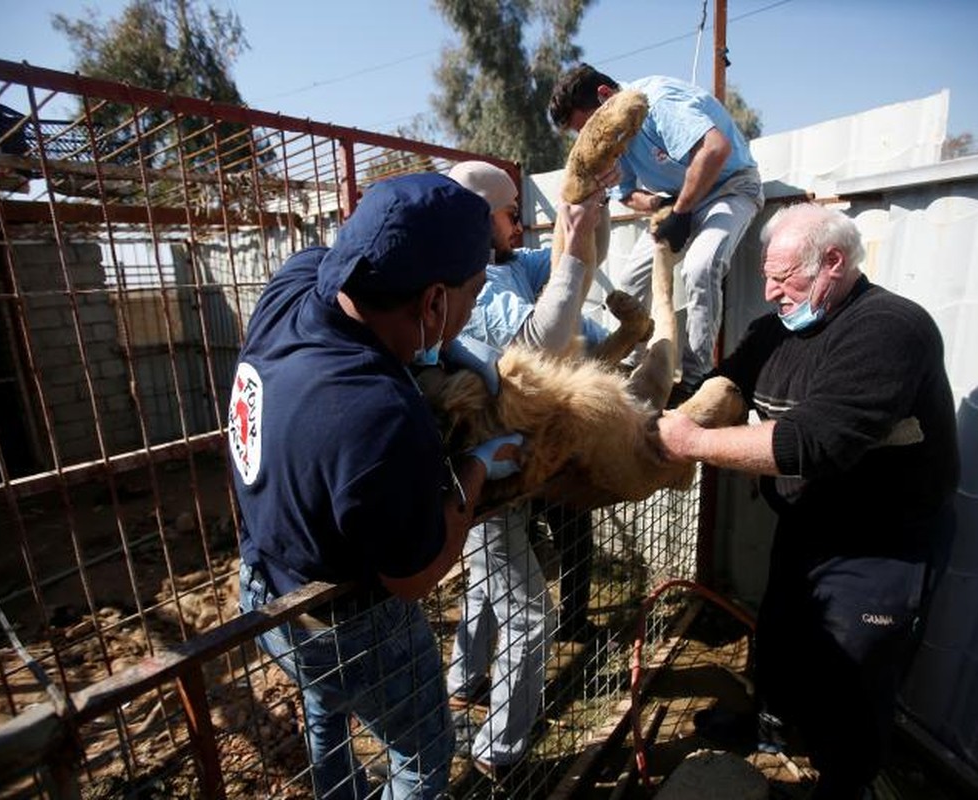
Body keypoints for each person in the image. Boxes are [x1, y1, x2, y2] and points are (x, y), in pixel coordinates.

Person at [228, 173, 523, 800]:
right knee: (421, 755)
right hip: (350, 624)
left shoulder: (292, 285)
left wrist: (447, 353)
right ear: (436, 302)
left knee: (324, 715)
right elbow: (413, 577)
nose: (473, 310)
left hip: (261, 587)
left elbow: (329, 260)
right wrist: (474, 468)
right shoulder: (381, 415)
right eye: (475, 294)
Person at [656, 203, 960, 799]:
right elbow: (726, 385)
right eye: (766, 275)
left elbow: (815, 442)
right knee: (782, 638)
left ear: (834, 262)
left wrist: (691, 442)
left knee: (854, 670)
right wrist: (660, 399)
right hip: (807, 523)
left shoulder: (890, 330)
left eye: (783, 276)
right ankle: (766, 729)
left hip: (882, 541)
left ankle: (845, 781)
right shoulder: (776, 330)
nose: (769, 292)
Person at [442, 160, 611, 780]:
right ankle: (499, 748)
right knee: (530, 613)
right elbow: (538, 343)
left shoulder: (512, 263)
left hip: (511, 462)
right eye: (512, 213)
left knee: (490, 577)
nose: (522, 222)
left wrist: (589, 208)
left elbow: (578, 267)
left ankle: (463, 680)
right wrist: (573, 244)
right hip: (484, 465)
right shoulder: (477, 284)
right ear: (479, 217)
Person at [549, 63, 765, 400]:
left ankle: (694, 380)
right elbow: (628, 195)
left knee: (700, 267)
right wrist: (656, 205)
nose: (590, 137)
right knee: (631, 282)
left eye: (588, 125)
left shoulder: (657, 101)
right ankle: (632, 367)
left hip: (730, 188)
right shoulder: (613, 133)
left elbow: (715, 149)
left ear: (606, 95)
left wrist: (679, 213)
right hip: (681, 201)